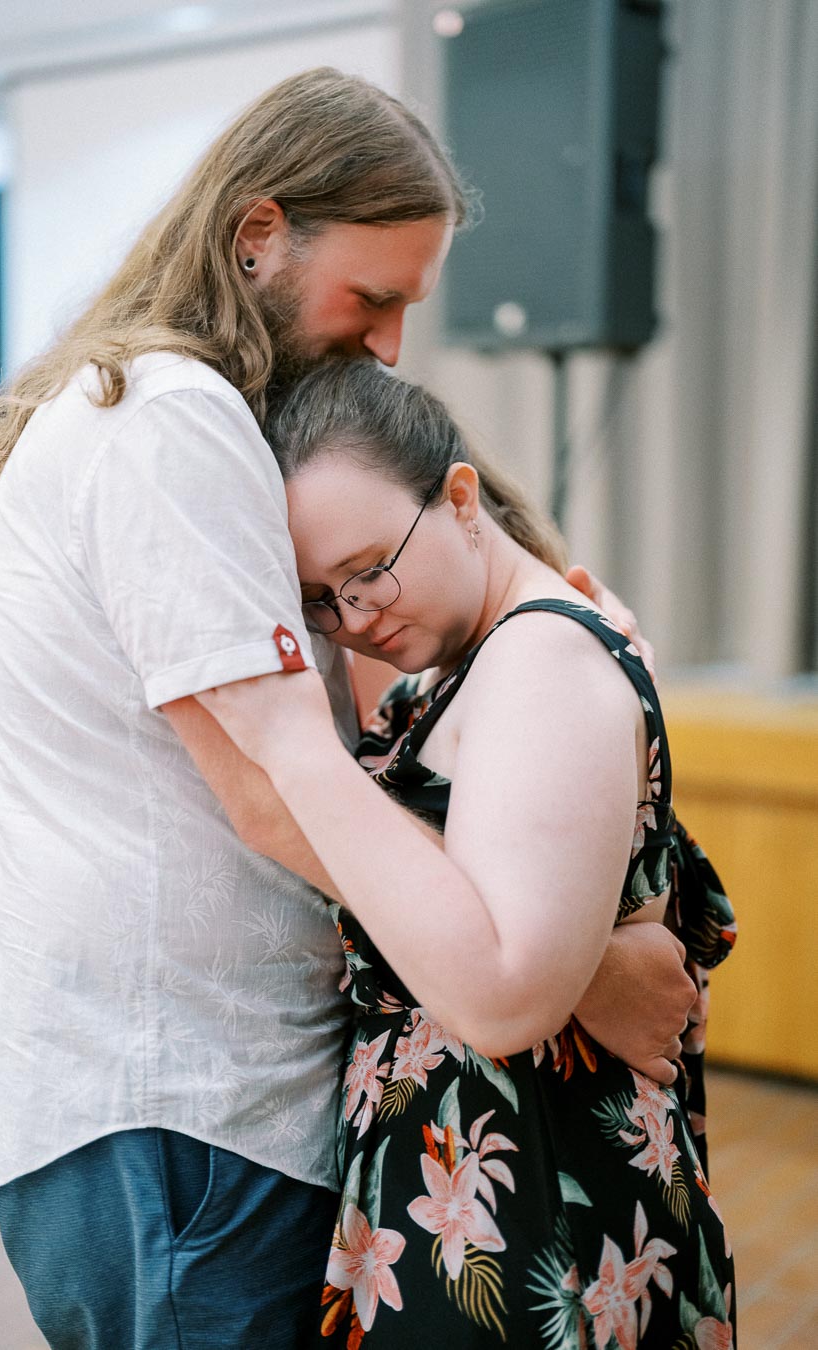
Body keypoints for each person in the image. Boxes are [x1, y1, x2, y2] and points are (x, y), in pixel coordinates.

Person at [0, 68, 698, 1349]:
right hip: (183, 1117)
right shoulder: (172, 419)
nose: (391, 342)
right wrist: (573, 968)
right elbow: (275, 781)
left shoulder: (185, 423)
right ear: (258, 235)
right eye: (374, 296)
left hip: (193, 1113)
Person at [201, 361, 737, 1347]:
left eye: (369, 570)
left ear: (459, 498)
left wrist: (288, 741)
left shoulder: (539, 658)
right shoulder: (464, 668)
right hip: (471, 1200)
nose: (355, 618)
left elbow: (505, 988)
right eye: (322, 598)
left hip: (530, 1206)